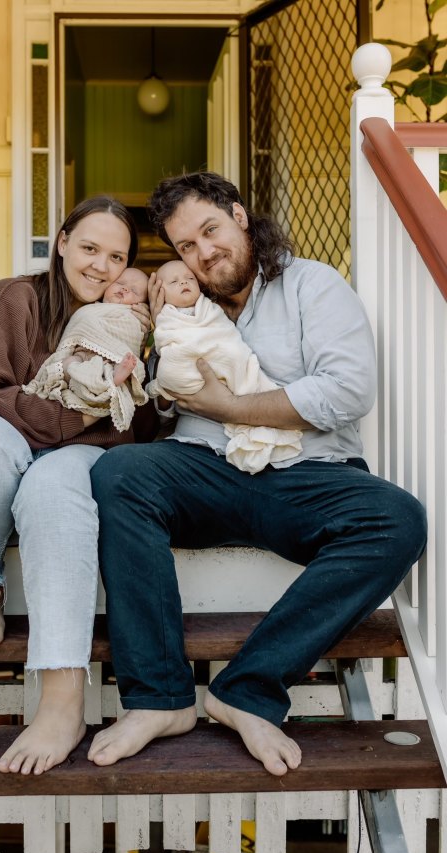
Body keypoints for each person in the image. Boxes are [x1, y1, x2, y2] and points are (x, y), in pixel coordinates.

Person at [87, 171, 427, 777]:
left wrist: (233, 408)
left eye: (210, 231)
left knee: (398, 518)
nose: (203, 252)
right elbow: (168, 401)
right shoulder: (184, 302)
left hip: (304, 475)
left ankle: (246, 691)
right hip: (206, 470)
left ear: (240, 216)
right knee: (120, 472)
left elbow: (347, 390)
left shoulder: (312, 286)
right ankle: (160, 698)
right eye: (185, 246)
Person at [0, 196, 157, 776]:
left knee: (54, 485)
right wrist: (81, 416)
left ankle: (61, 705)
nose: (101, 266)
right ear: (61, 243)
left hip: (69, 467)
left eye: (115, 256)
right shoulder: (13, 298)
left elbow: (138, 426)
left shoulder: (128, 325)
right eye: (89, 248)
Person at [146, 259, 302, 474]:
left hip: (227, 364)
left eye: (189, 279)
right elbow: (169, 348)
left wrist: (230, 405)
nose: (184, 283)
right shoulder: (166, 318)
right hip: (190, 441)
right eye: (174, 282)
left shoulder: (209, 308)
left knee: (234, 357)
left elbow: (223, 337)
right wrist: (161, 325)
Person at [23, 268, 150, 433]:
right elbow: (80, 325)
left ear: (141, 305)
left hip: (109, 360)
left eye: (134, 291)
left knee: (108, 367)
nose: (125, 289)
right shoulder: (91, 308)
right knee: (68, 364)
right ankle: (100, 382)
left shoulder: (133, 317)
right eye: (120, 283)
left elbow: (130, 337)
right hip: (81, 355)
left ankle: (113, 379)